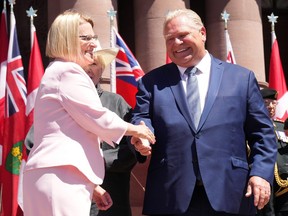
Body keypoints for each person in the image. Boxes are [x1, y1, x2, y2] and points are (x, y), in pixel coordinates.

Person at [130, 8, 277, 216]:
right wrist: (141, 136)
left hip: (230, 193)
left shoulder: (240, 78)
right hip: (171, 195)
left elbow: (263, 134)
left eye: (182, 35)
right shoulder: (151, 82)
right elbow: (142, 117)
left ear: (203, 33)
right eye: (169, 38)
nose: (176, 43)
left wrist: (261, 174)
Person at [22, 10, 155, 216]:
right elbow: (99, 119)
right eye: (86, 38)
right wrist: (138, 131)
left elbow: (67, 133)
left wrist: (92, 187)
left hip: (58, 177)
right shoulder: (68, 71)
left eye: (93, 37)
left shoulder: (57, 71)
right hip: (59, 180)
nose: (93, 43)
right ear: (66, 40)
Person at [84, 50, 137, 216]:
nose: (88, 69)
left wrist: (97, 161)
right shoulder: (59, 102)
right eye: (84, 65)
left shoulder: (116, 102)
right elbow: (35, 143)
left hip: (112, 200)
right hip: (71, 198)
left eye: (94, 64)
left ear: (102, 69)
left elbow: (132, 149)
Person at [257, 87, 288, 216]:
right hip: (264, 183)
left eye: (273, 103)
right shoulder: (252, 128)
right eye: (266, 103)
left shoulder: (282, 126)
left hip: (284, 187)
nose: (270, 106)